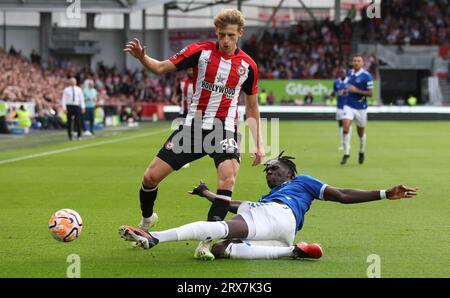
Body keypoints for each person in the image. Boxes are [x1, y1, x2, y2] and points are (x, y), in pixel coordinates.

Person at [123, 8, 264, 260]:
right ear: (216, 33)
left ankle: (206, 242)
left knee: (227, 180)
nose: (225, 40)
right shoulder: (200, 52)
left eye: (231, 35)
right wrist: (142, 58)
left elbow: (252, 106)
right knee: (150, 177)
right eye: (221, 34)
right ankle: (146, 220)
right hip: (194, 128)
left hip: (224, 129)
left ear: (240, 34)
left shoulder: (248, 66)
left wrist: (259, 144)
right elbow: (161, 67)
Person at [118, 152, 418, 260]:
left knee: (220, 229)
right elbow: (238, 204)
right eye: (267, 170)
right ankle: (293, 251)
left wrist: (383, 193)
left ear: (290, 172)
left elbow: (341, 194)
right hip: (280, 230)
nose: (269, 172)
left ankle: (155, 237)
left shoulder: (302, 184)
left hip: (277, 217)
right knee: (222, 248)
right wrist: (209, 195)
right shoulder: (268, 198)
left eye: (274, 168)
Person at [340, 54, 373, 165]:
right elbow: (349, 87)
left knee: (361, 133)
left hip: (361, 107)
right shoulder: (350, 73)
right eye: (354, 60)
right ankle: (346, 153)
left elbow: (370, 93)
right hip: (348, 105)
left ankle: (361, 150)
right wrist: (345, 91)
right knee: (345, 129)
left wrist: (357, 90)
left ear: (362, 63)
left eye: (358, 61)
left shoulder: (367, 76)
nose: (356, 62)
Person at [333, 69, 349, 150]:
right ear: (339, 74)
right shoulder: (336, 82)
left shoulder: (349, 81)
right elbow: (335, 92)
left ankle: (347, 143)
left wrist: (345, 91)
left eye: (344, 73)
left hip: (348, 107)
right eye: (341, 73)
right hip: (339, 107)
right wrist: (336, 93)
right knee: (340, 126)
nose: (343, 74)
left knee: (346, 126)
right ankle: (342, 143)